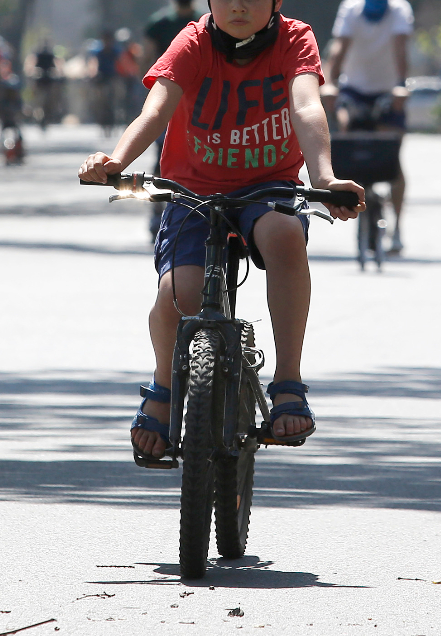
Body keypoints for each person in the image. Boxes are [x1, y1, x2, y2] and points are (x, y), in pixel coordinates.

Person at [77, 0, 365, 459]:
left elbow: (307, 107)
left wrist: (325, 180)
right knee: (180, 292)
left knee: (285, 236)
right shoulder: (192, 42)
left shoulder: (294, 38)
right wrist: (116, 161)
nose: (238, 5)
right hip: (192, 189)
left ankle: (288, 383)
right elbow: (155, 110)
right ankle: (163, 386)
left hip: (268, 186)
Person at [323, 0, 412, 255]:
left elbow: (400, 49)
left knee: (392, 157)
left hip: (388, 90)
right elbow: (339, 47)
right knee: (346, 134)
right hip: (355, 89)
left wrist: (401, 85)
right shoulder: (351, 9)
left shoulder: (399, 10)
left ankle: (397, 227)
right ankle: (353, 195)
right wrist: (330, 84)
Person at [143, 0, 205, 239]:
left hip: (197, 100)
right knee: (164, 155)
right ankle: (158, 209)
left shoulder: (203, 21)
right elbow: (148, 57)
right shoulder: (160, 23)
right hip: (170, 95)